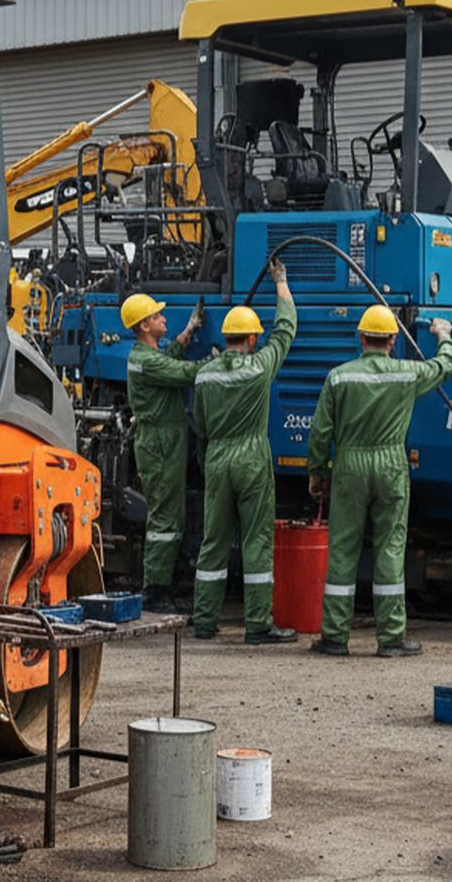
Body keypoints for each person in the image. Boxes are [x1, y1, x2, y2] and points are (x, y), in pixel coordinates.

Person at [305, 307, 452, 658]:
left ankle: (334, 638)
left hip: (349, 465)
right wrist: (444, 336)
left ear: (361, 338)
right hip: (390, 465)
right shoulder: (406, 374)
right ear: (392, 340)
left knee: (343, 549)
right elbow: (445, 366)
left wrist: (318, 471)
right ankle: (390, 639)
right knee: (389, 548)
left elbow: (320, 430)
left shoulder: (339, 378)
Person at [190, 260, 296, 642]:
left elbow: (199, 424)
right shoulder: (259, 367)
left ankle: (204, 621)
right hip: (251, 456)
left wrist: (209, 457)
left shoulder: (205, 374)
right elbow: (285, 331)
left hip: (217, 458)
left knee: (213, 541)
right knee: (255, 540)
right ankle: (258, 625)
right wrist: (281, 284)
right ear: (252, 339)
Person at [121, 292, 204, 613]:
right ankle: (155, 591)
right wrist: (224, 359)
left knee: (173, 512)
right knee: (164, 519)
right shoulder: (145, 361)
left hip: (166, 439)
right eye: (157, 316)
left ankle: (170, 578)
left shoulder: (149, 354)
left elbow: (168, 358)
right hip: (159, 443)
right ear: (144, 325)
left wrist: (188, 332)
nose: (163, 319)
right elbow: (183, 373)